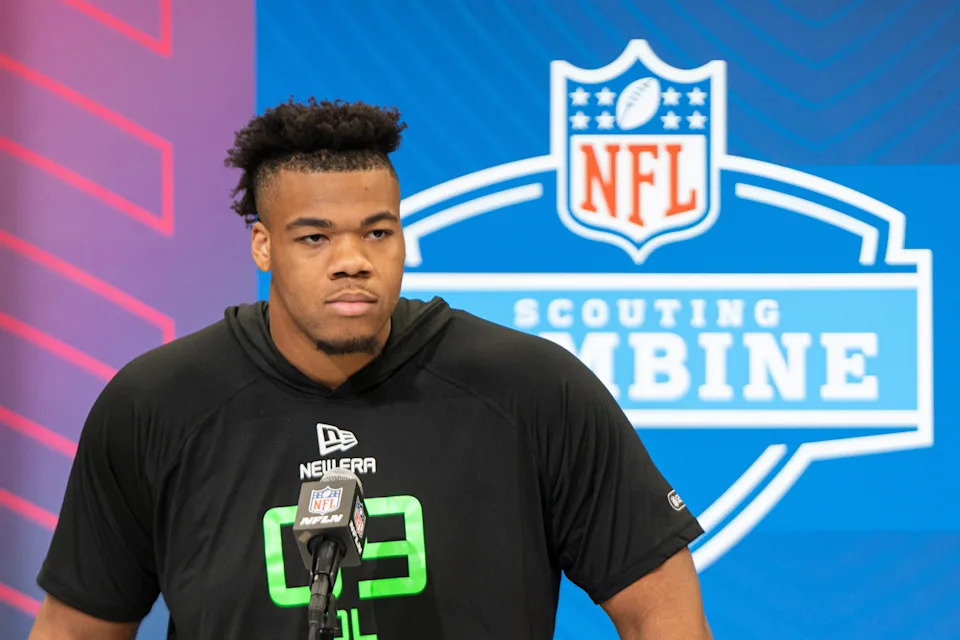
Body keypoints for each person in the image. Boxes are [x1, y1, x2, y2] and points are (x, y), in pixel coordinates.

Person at [28, 99, 711, 640]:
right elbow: (77, 629)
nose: (352, 259)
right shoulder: (157, 403)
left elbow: (663, 615)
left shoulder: (533, 389)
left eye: (377, 233)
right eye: (315, 237)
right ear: (263, 246)